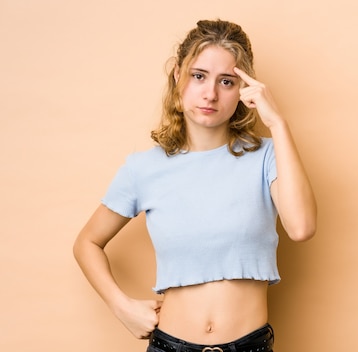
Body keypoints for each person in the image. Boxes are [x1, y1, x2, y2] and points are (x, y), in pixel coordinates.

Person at [73, 19, 317, 352]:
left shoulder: (268, 155)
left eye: (227, 81)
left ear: (243, 90)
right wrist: (121, 306)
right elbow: (87, 242)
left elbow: (301, 227)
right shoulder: (144, 168)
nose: (210, 93)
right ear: (178, 76)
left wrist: (278, 123)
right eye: (198, 76)